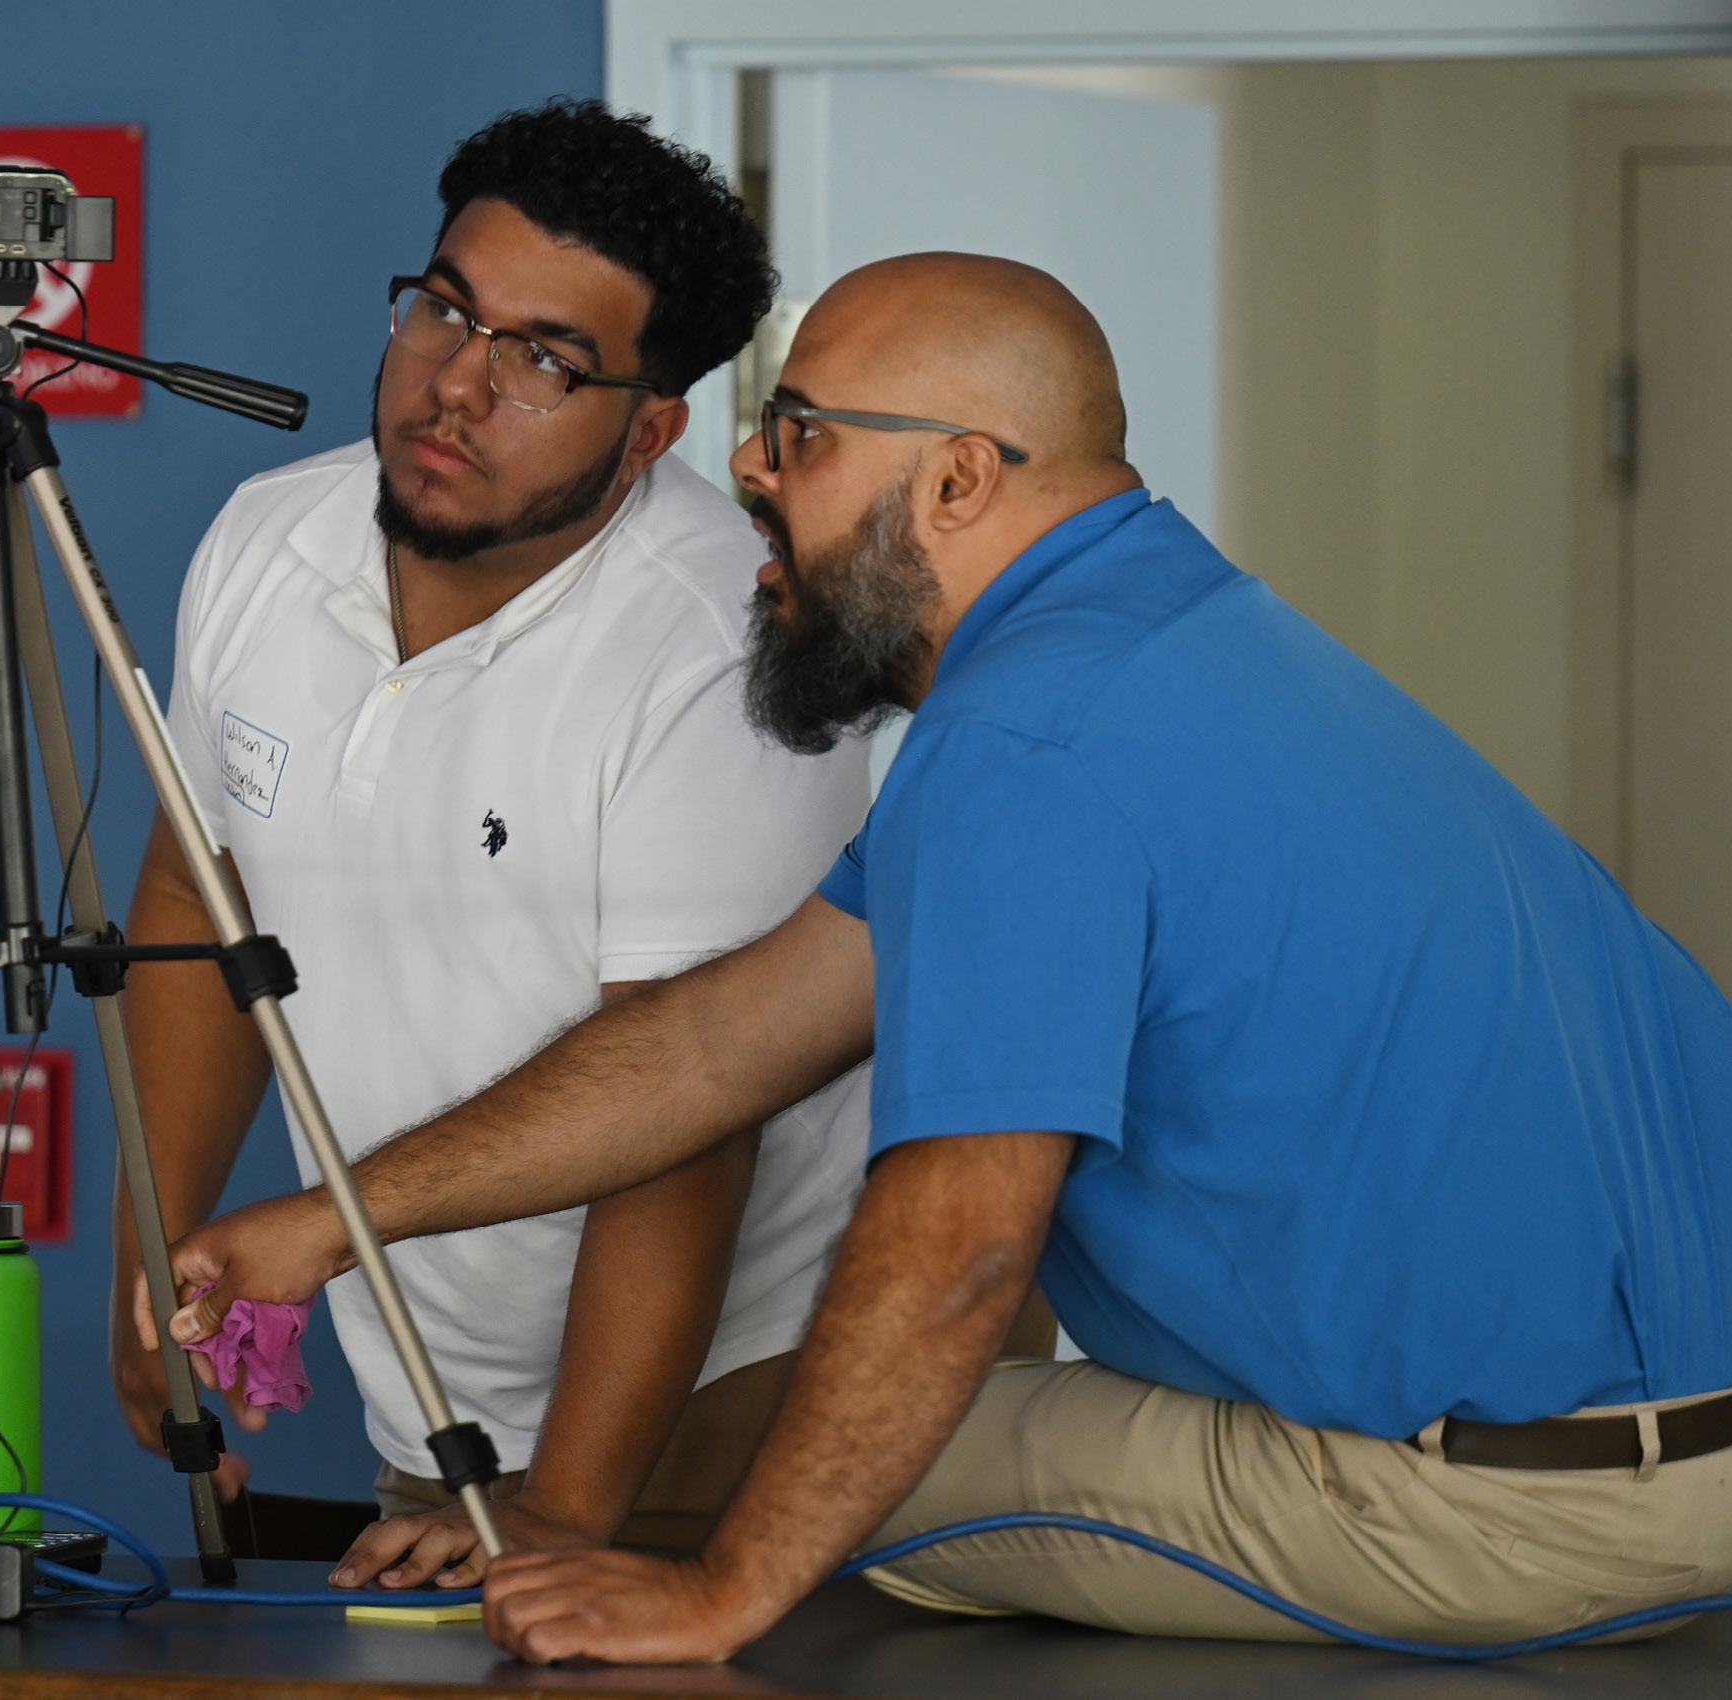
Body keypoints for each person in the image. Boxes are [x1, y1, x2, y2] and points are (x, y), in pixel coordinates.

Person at [149, 252, 1732, 1661]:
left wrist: (718, 1591)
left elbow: (963, 1248)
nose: (747, 466)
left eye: (801, 432)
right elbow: (719, 1043)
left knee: (785, 1475)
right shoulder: (1156, 640)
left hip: (1524, 1508)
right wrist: (334, 1220)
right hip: (1655, 1436)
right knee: (843, 1432)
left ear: (962, 478)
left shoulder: (1024, 750)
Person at [113, 99, 897, 1589]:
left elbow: (693, 1102)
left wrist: (569, 1509)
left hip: (731, 1403)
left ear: (651, 429)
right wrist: (151, 1264)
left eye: (545, 360)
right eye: (444, 309)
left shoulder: (723, 643)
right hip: (430, 1383)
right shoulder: (265, 543)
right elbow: (194, 899)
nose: (456, 384)